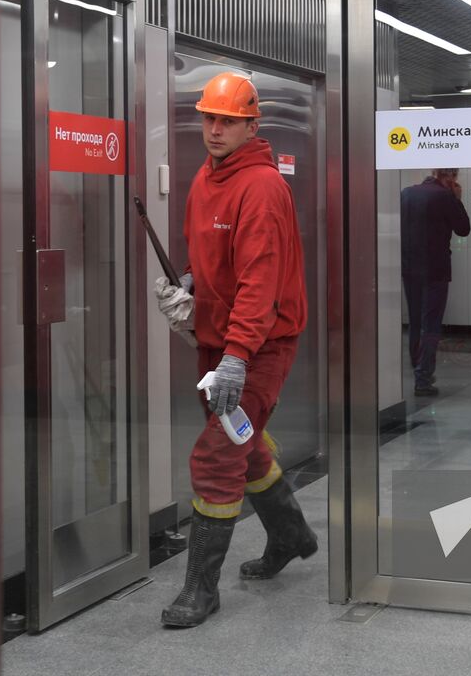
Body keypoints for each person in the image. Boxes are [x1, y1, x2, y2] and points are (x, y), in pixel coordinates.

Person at [153, 72, 315, 628]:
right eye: (209, 118)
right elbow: (213, 255)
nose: (215, 129)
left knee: (216, 454)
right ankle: (291, 534)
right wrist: (190, 282)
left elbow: (259, 282)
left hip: (260, 344)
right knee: (240, 442)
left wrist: (237, 356)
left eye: (228, 121)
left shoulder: (262, 187)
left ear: (252, 125)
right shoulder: (206, 177)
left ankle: (200, 590)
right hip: (218, 338)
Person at [399, 168, 471, 397]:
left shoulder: (406, 193)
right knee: (430, 324)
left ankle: (417, 367)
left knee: (415, 321)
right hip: (435, 269)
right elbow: (464, 229)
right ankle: (422, 377)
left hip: (409, 267)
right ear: (450, 176)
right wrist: (457, 199)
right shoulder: (445, 196)